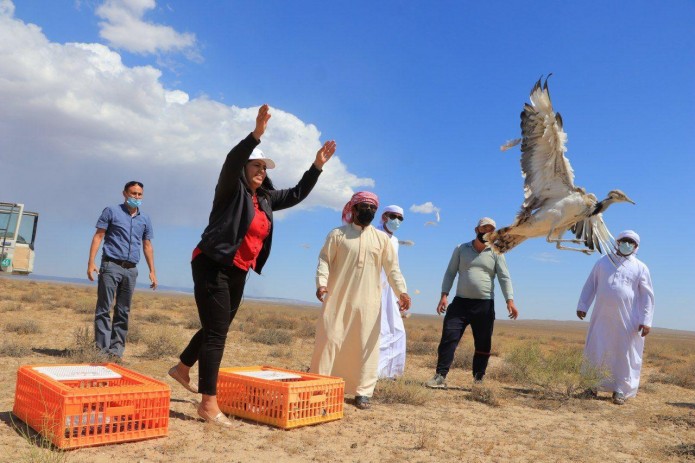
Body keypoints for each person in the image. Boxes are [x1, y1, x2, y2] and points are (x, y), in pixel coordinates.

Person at [167, 104, 336, 427]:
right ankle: (208, 403)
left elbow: (299, 193)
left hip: (238, 270)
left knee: (217, 327)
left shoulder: (266, 199)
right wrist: (256, 136)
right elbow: (232, 161)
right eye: (256, 165)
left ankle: (183, 368)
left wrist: (316, 166)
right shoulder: (230, 190)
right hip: (213, 264)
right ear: (245, 169)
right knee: (217, 334)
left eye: (264, 167)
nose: (261, 170)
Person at [310, 192, 411, 409]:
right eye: (364, 207)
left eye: (373, 208)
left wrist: (402, 292)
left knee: (366, 345)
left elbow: (393, 269)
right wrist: (321, 283)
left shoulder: (382, 239)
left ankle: (363, 392)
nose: (369, 211)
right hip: (338, 299)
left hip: (369, 302)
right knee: (329, 341)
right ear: (353, 209)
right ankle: (320, 387)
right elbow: (324, 260)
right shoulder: (337, 235)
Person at [426, 217, 518, 388]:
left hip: (484, 305)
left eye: (491, 230)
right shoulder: (461, 249)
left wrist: (510, 301)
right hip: (460, 303)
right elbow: (450, 272)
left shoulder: (497, 252)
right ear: (477, 230)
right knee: (449, 338)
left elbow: (504, 278)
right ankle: (440, 376)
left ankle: (478, 380)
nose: (487, 232)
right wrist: (444, 295)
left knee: (483, 343)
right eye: (484, 229)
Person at [576, 230, 655, 405]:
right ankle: (591, 385)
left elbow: (647, 296)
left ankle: (621, 390)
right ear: (617, 242)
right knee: (597, 348)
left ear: (636, 247)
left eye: (631, 242)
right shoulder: (602, 263)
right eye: (624, 240)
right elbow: (591, 284)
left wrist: (646, 320)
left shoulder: (640, 267)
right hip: (601, 316)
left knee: (624, 353)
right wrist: (583, 305)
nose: (627, 244)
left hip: (628, 319)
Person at [87, 181, 157, 359]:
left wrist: (152, 271)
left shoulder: (145, 219)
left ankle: (116, 352)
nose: (136, 197)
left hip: (131, 270)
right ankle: (101, 352)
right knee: (104, 308)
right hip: (111, 266)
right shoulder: (111, 211)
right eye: (133, 193)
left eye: (139, 194)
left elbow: (147, 245)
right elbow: (99, 236)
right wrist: (91, 262)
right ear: (124, 194)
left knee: (123, 310)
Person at [375, 205, 407, 379]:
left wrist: (401, 292)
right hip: (373, 287)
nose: (397, 220)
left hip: (390, 289)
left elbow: (395, 268)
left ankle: (389, 373)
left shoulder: (394, 240)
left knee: (396, 330)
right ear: (384, 216)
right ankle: (373, 373)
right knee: (378, 330)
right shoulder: (374, 233)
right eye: (393, 216)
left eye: (400, 218)